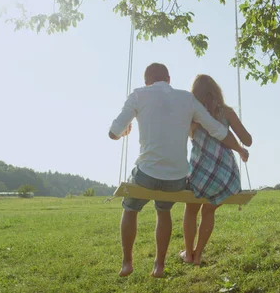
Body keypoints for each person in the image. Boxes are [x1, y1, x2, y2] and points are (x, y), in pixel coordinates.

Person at [108, 63, 249, 278]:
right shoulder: (187, 99)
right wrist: (239, 148)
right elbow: (218, 130)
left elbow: (113, 132)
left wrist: (123, 132)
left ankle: (127, 262)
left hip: (146, 174)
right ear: (169, 79)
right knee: (163, 211)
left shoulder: (139, 94)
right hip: (176, 178)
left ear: (147, 81)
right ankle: (159, 265)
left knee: (130, 207)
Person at [180, 74, 253, 266]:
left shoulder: (191, 115)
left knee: (190, 209)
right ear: (216, 91)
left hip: (199, 177)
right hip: (226, 177)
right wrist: (234, 126)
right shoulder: (226, 112)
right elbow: (248, 140)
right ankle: (198, 255)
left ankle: (188, 254)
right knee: (209, 211)